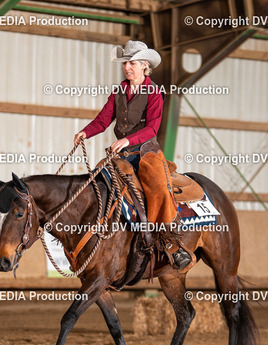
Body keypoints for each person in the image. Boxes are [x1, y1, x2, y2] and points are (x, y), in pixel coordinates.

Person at [73, 40, 193, 270]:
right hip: (122, 154)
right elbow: (102, 120)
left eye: (132, 63)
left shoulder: (154, 92)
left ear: (144, 65)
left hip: (146, 152)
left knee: (158, 187)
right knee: (97, 182)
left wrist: (128, 140)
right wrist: (85, 132)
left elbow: (152, 128)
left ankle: (171, 243)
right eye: (125, 63)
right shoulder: (118, 91)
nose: (127, 67)